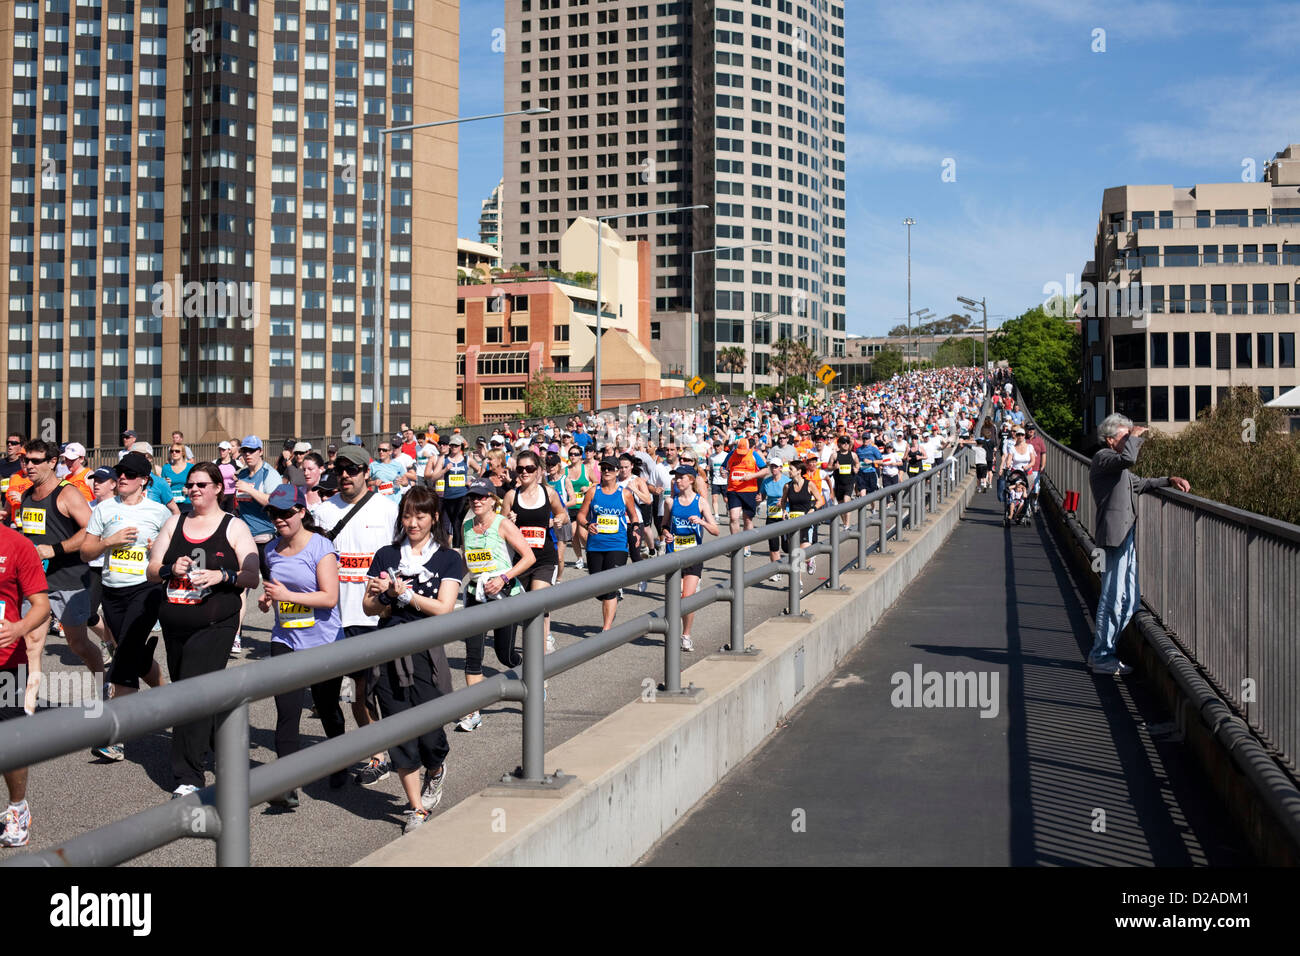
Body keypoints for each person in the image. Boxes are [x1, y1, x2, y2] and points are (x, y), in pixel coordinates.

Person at [146, 462, 259, 797]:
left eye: (201, 485)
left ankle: (188, 776)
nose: (193, 490)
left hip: (215, 623)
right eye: (190, 485)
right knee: (190, 689)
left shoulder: (234, 527)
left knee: (190, 694)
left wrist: (221, 576)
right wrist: (170, 567)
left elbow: (251, 575)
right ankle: (221, 744)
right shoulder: (174, 522)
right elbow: (151, 570)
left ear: (217, 489)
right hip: (175, 622)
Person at [362, 487, 462, 832]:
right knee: (398, 728)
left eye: (420, 515)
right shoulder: (387, 555)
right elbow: (368, 607)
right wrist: (386, 597)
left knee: (430, 732)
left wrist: (407, 593)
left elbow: (444, 608)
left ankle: (435, 768)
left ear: (434, 517)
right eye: (407, 515)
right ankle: (416, 807)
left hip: (426, 652)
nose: (413, 522)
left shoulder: (448, 558)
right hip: (388, 649)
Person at [310, 444, 400, 786]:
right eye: (340, 470)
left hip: (371, 617)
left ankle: (377, 754)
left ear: (367, 473)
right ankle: (340, 755)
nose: (345, 475)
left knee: (365, 691)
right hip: (330, 617)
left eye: (352, 470)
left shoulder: (388, 510)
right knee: (328, 694)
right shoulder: (324, 512)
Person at [257, 484, 345, 807]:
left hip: (323, 642)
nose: (279, 519)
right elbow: (276, 590)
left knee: (327, 708)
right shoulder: (270, 550)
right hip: (286, 640)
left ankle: (340, 760)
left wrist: (287, 597)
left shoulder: (321, 547)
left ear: (301, 512)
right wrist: (268, 600)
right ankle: (287, 784)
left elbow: (329, 598)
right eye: (273, 513)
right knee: (287, 711)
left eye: (285, 513)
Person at [80, 452, 173, 759]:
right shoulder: (104, 508)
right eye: (120, 473)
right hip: (112, 592)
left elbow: (174, 553)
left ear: (144, 480)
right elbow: (85, 552)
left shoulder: (159, 512)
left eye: (130, 475)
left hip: (145, 591)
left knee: (125, 655)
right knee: (130, 653)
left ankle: (116, 737)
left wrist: (156, 549)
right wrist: (109, 542)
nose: (122, 478)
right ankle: (174, 701)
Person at [1086, 416, 1190, 676]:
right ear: (1111, 440)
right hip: (1115, 536)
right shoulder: (1103, 458)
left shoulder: (1117, 469)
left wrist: (1169, 479)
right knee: (1113, 597)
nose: (1128, 439)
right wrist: (1135, 434)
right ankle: (1101, 654)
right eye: (1123, 436)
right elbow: (1129, 460)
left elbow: (1140, 483)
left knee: (1130, 599)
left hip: (1125, 535)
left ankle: (1107, 649)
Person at [17, 440, 102, 700]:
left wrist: (55, 549)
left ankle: (103, 689)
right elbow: (31, 534)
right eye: (26, 461)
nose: (28, 466)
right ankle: (27, 705)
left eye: (35, 461)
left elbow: (92, 530)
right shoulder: (27, 495)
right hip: (35, 583)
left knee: (78, 645)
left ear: (52, 462)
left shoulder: (67, 493)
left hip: (70, 580)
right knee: (31, 643)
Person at [457, 478, 535, 732]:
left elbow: (529, 557)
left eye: (482, 497)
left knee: (505, 655)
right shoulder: (466, 525)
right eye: (473, 497)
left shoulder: (503, 524)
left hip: (503, 595)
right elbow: (467, 560)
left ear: (493, 499)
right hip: (475, 594)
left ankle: (533, 676)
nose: (477, 501)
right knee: (473, 656)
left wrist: (504, 578)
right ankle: (474, 711)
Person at [0, 521, 50, 848]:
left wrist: (19, 629)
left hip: (5, 660)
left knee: (10, 742)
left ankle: (17, 808)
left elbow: (42, 604)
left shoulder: (17, 545)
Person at [503, 450, 568, 651]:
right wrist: (508, 521)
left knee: (536, 604)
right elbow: (500, 526)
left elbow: (563, 513)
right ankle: (541, 639)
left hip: (544, 559)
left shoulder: (548, 493)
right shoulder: (511, 496)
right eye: (520, 469)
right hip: (520, 560)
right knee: (524, 610)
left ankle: (538, 660)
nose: (524, 472)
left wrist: (559, 520)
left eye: (529, 468)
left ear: (538, 471)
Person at [575, 457, 642, 632]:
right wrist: (587, 524)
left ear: (617, 471)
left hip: (618, 545)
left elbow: (634, 517)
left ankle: (606, 629)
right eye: (603, 468)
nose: (606, 471)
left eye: (610, 468)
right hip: (595, 545)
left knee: (609, 588)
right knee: (599, 589)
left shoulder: (625, 493)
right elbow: (581, 515)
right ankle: (613, 596)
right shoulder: (592, 492)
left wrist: (635, 530)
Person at [233, 435, 281, 654]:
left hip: (267, 538)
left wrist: (250, 489)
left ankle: (284, 631)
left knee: (275, 587)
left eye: (252, 450)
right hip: (244, 540)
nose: (248, 454)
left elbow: (275, 501)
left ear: (261, 451)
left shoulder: (270, 474)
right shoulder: (241, 474)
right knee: (240, 588)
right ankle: (235, 635)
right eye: (245, 451)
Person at [664, 465, 720, 652]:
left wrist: (701, 521)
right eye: (676, 478)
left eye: (680, 477)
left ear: (690, 480)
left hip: (694, 555)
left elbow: (716, 530)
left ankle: (685, 634)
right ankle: (673, 631)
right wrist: (666, 534)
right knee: (675, 598)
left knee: (686, 597)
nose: (677, 481)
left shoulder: (701, 502)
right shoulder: (670, 503)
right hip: (674, 555)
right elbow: (663, 526)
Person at [778, 460, 824, 577]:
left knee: (802, 555)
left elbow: (820, 500)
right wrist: (784, 511)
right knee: (795, 555)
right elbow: (783, 501)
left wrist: (813, 509)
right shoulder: (787, 486)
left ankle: (810, 560)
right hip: (793, 523)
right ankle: (798, 583)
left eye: (791, 469)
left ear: (799, 471)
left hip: (807, 523)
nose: (788, 471)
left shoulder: (809, 484)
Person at [426, 433, 472, 548]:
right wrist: (445, 470)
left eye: (456, 445)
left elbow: (480, 470)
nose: (454, 448)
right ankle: (447, 546)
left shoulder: (466, 459)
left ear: (460, 446)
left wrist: (472, 481)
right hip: (447, 496)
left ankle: (456, 548)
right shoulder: (443, 459)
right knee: (447, 523)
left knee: (457, 521)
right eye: (452, 445)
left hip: (462, 495)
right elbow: (433, 477)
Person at [724, 437, 765, 555]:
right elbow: (724, 467)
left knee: (747, 519)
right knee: (733, 517)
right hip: (733, 490)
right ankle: (736, 545)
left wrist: (752, 476)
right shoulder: (732, 453)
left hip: (749, 490)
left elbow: (765, 471)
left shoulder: (754, 454)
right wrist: (723, 472)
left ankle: (746, 545)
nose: (741, 454)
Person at [160, 443, 194, 512]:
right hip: (170, 503)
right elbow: (162, 487)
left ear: (183, 453)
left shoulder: (190, 467)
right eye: (172, 451)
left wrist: (189, 491)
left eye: (177, 451)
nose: (174, 453)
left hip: (186, 502)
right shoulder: (166, 468)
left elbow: (196, 484)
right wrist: (165, 483)